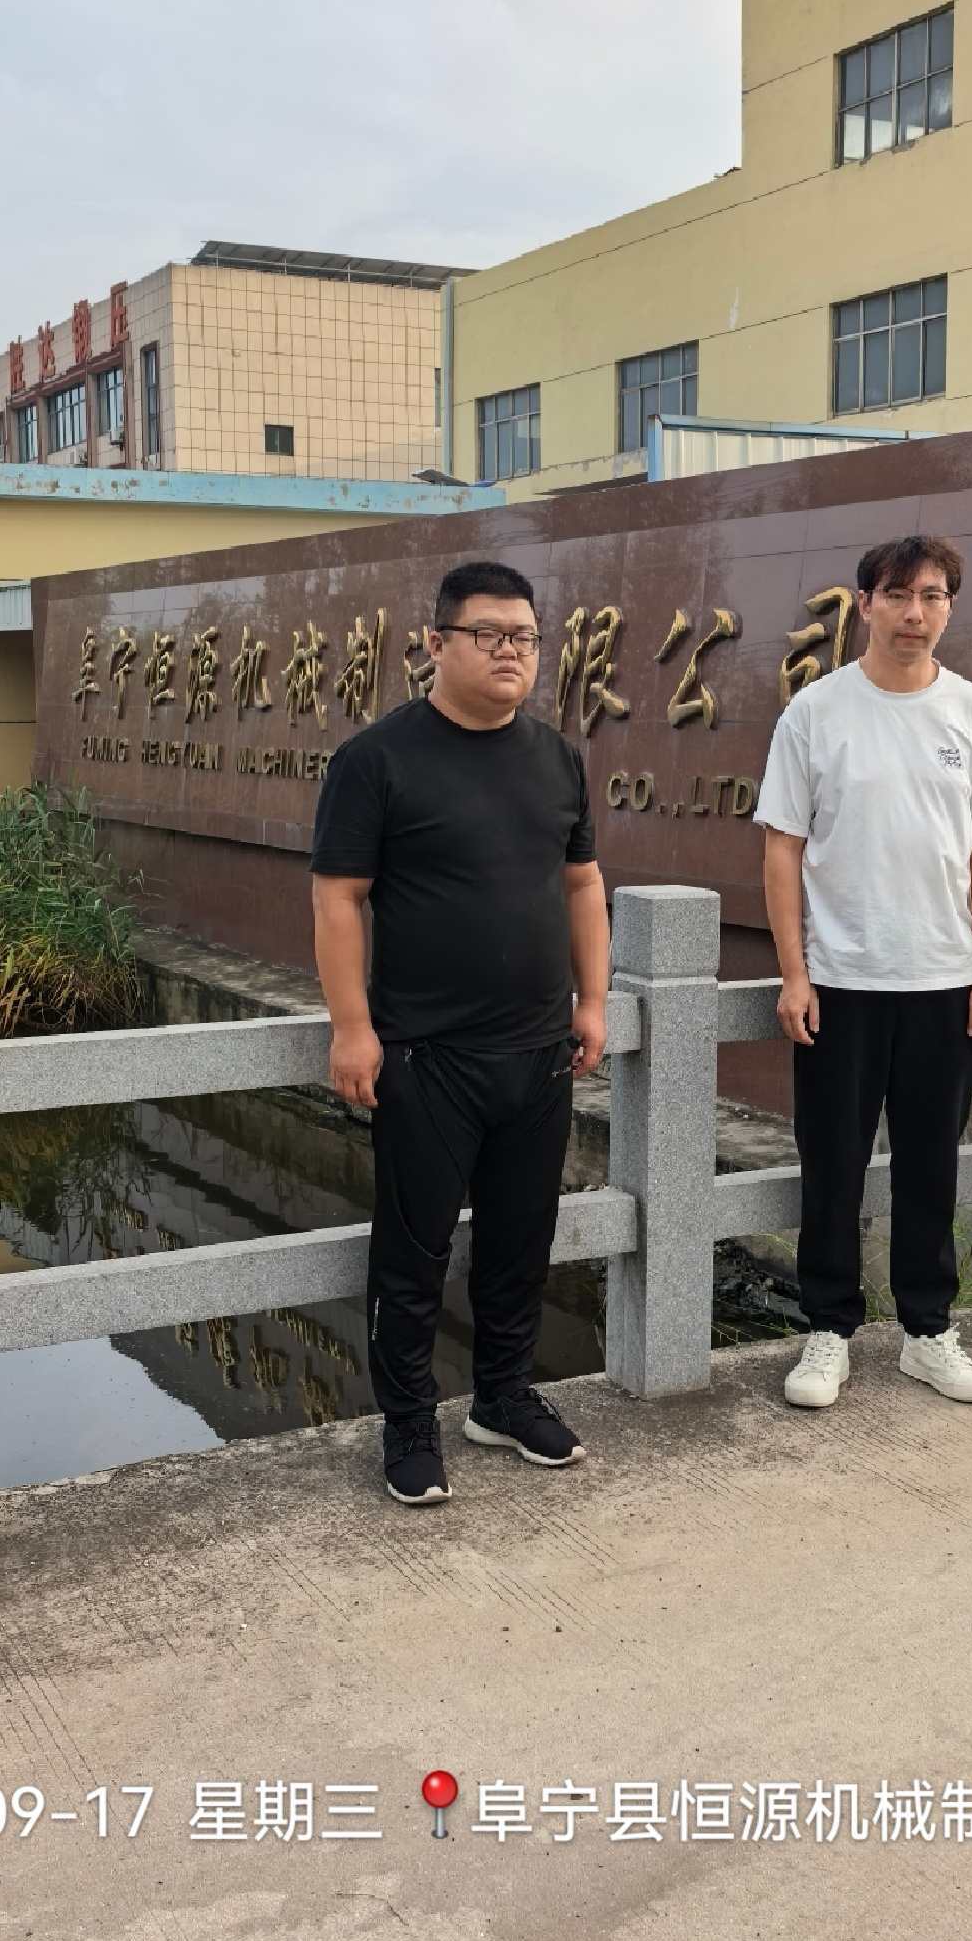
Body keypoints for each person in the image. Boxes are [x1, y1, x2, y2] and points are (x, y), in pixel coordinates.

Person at [309, 560, 610, 1505]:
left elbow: (582, 884)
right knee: (413, 1255)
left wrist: (593, 1003)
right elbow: (338, 898)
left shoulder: (557, 757)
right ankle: (407, 1424)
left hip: (539, 1051)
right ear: (436, 643)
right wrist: (352, 1028)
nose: (511, 651)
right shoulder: (377, 759)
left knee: (521, 1243)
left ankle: (503, 1397)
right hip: (426, 1055)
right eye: (490, 634)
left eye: (526, 637)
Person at [756, 534, 972, 1411]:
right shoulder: (816, 713)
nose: (916, 613)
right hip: (841, 980)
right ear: (866, 603)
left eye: (934, 596)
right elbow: (783, 849)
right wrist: (794, 973)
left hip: (944, 983)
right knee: (831, 1163)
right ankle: (828, 1329)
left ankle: (927, 1331)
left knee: (929, 1166)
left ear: (950, 607)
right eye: (900, 595)